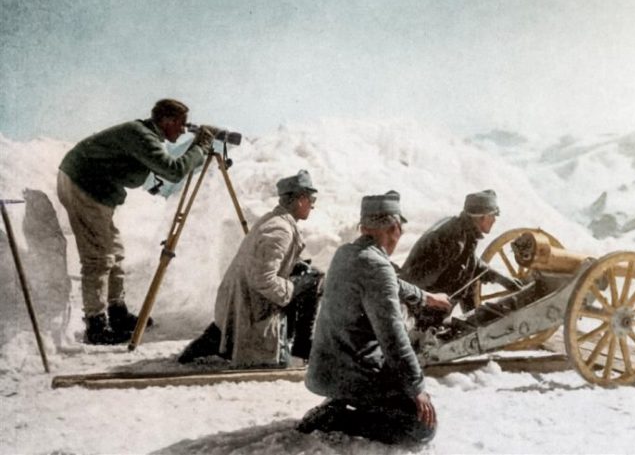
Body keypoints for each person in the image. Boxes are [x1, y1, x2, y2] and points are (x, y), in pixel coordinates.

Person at [298, 191, 451, 445]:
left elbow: (391, 284)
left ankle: (339, 405)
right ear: (394, 228)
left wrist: (426, 297)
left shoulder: (346, 253)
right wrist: (417, 389)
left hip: (327, 369)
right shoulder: (378, 267)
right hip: (351, 373)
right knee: (422, 426)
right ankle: (335, 419)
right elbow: (393, 338)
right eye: (398, 229)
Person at [57, 99, 214, 345]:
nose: (184, 130)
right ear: (166, 120)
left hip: (97, 189)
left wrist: (197, 146)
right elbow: (173, 170)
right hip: (83, 185)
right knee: (99, 257)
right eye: (181, 125)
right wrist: (201, 146)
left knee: (115, 252)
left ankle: (116, 312)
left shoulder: (145, 134)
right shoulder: (141, 135)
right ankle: (96, 324)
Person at [178, 170, 320, 367]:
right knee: (314, 282)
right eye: (311, 199)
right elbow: (263, 279)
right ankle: (301, 348)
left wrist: (294, 267)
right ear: (300, 200)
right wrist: (293, 287)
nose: (313, 205)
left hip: (241, 300)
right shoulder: (280, 230)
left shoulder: (274, 220)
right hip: (249, 306)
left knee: (307, 276)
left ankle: (214, 342)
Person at [400, 189, 522, 329]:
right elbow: (418, 281)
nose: (495, 220)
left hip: (428, 303)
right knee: (466, 277)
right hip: (420, 311)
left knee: (469, 276)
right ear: (482, 217)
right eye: (493, 215)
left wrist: (501, 278)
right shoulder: (455, 241)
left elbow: (471, 262)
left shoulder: (460, 230)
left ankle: (471, 323)